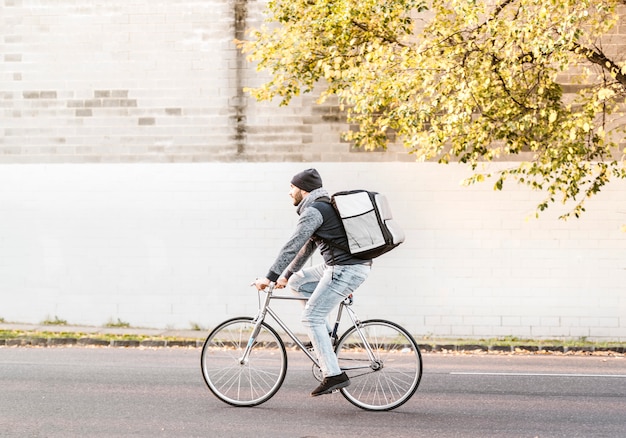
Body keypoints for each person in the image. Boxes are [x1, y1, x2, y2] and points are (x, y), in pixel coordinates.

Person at [254, 168, 372, 397]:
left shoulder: (314, 211)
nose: (289, 192)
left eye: (292, 187)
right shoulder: (322, 207)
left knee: (311, 317)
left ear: (303, 189)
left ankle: (333, 374)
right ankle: (326, 336)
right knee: (298, 282)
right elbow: (309, 247)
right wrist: (286, 276)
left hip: (343, 269)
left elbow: (293, 244)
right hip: (344, 267)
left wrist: (269, 277)